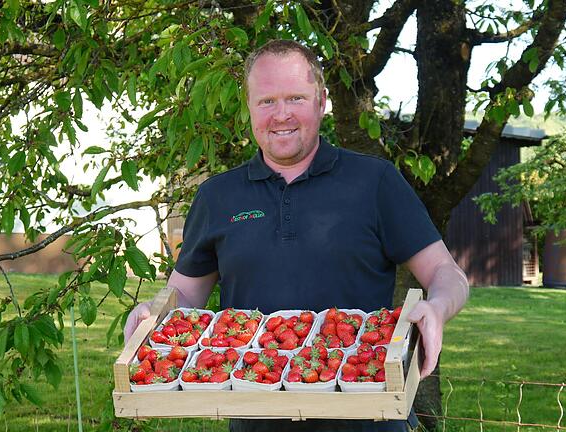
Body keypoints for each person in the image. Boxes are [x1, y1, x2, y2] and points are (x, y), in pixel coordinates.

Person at [124, 39, 469, 432]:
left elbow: (446, 272)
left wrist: (437, 309)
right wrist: (154, 313)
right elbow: (185, 295)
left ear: (321, 102)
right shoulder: (217, 196)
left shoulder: (374, 182)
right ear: (249, 108)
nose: (281, 114)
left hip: (368, 416)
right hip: (256, 419)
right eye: (266, 101)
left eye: (296, 98)